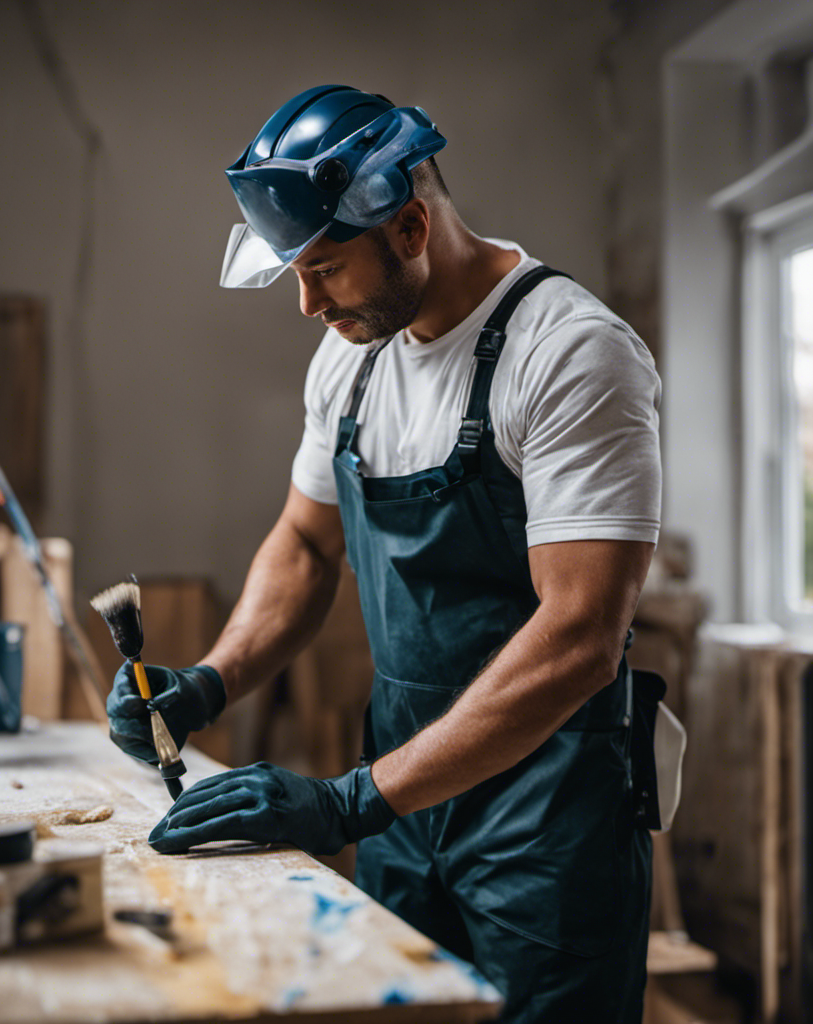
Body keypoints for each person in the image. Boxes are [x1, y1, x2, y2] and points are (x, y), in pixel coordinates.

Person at [107, 85, 661, 1023]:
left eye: (324, 267)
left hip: (549, 816)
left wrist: (347, 803)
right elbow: (304, 546)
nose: (306, 303)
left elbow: (579, 636)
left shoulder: (569, 353)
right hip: (406, 801)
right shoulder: (353, 355)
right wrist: (210, 681)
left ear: (410, 227)